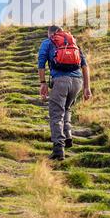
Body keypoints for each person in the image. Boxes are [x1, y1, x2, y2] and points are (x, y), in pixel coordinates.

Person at [38, 25, 92, 160]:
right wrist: (87, 87)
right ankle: (68, 136)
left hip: (61, 81)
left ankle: (58, 149)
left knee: (56, 114)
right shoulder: (72, 41)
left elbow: (41, 63)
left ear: (50, 33)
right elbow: (84, 65)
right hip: (77, 82)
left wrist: (43, 83)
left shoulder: (48, 42)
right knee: (67, 108)